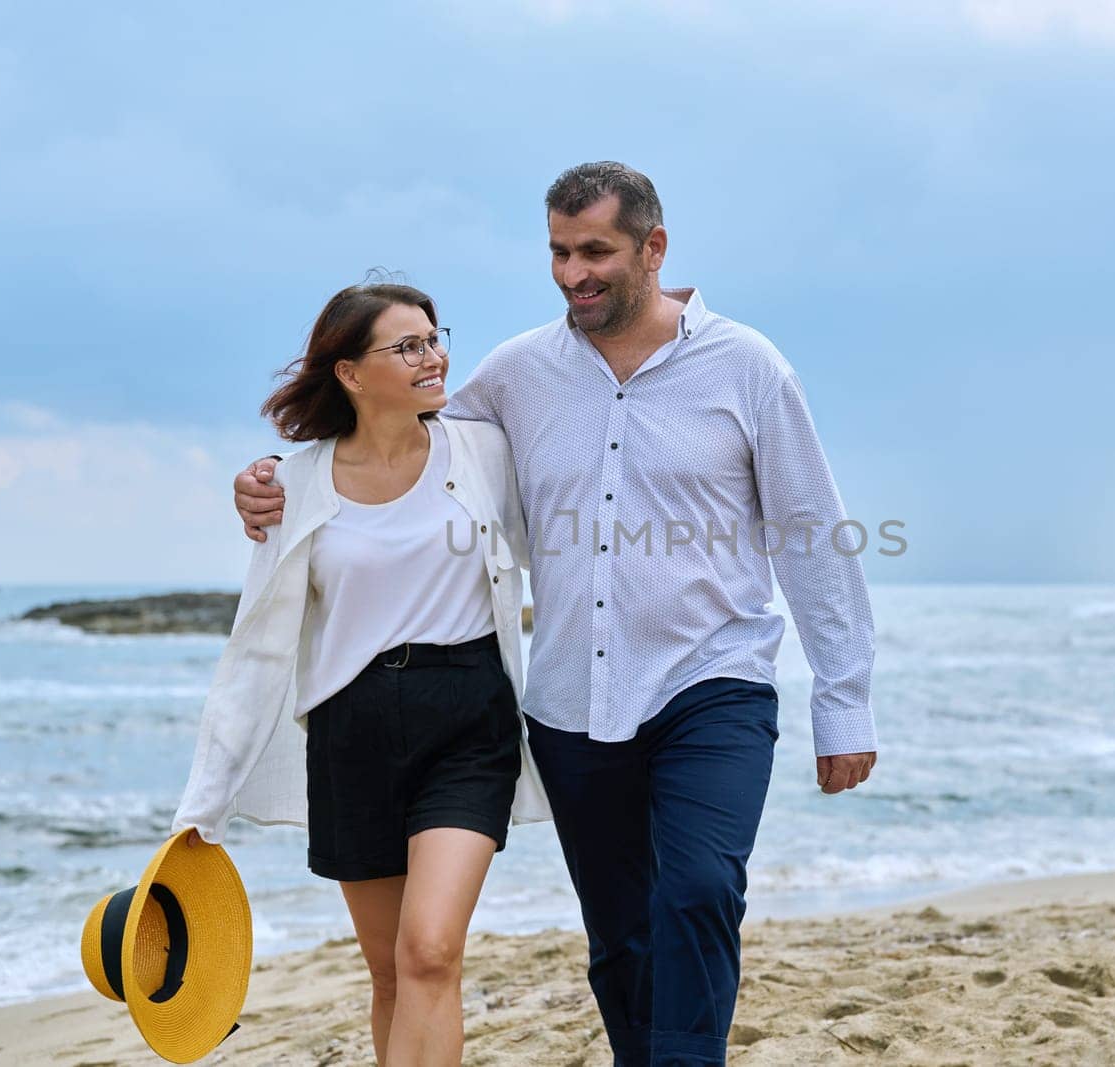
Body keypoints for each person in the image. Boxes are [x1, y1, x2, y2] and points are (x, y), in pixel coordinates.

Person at [235, 163, 877, 1067]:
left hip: (714, 679)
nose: (574, 271)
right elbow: (394, 443)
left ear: (654, 249)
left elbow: (811, 535)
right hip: (575, 700)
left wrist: (843, 701)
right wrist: (270, 484)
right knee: (619, 931)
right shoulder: (517, 374)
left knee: (696, 889)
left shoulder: (749, 367)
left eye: (596, 252)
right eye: (559, 251)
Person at [176, 281, 550, 1067]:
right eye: (406, 345)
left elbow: (564, 533)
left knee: (431, 951)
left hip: (467, 718)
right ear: (348, 372)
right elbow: (258, 648)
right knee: (388, 972)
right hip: (352, 732)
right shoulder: (294, 482)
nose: (432, 355)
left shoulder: (483, 451)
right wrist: (202, 804)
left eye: (434, 337)